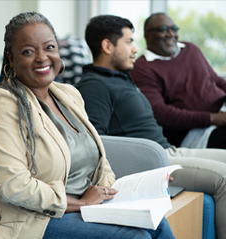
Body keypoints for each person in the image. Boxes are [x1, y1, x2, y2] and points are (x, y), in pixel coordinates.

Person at [0, 12, 174, 239]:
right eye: (28, 52)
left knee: (158, 223)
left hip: (83, 206)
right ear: (11, 59)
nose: (42, 58)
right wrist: (80, 203)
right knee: (134, 236)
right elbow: (14, 187)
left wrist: (110, 196)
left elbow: (100, 162)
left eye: (49, 47)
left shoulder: (69, 94)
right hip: (28, 218)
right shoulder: (3, 105)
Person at [75, 14, 226, 239]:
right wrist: (145, 169)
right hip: (157, 160)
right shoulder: (94, 86)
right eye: (128, 42)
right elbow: (97, 143)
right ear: (107, 46)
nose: (135, 49)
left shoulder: (120, 77)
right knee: (223, 177)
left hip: (169, 150)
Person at [130, 13, 226, 149]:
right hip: (194, 132)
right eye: (163, 29)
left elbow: (217, 81)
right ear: (147, 35)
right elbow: (160, 113)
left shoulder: (190, 49)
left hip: (221, 112)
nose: (171, 34)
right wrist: (215, 118)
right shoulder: (141, 68)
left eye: (174, 29)